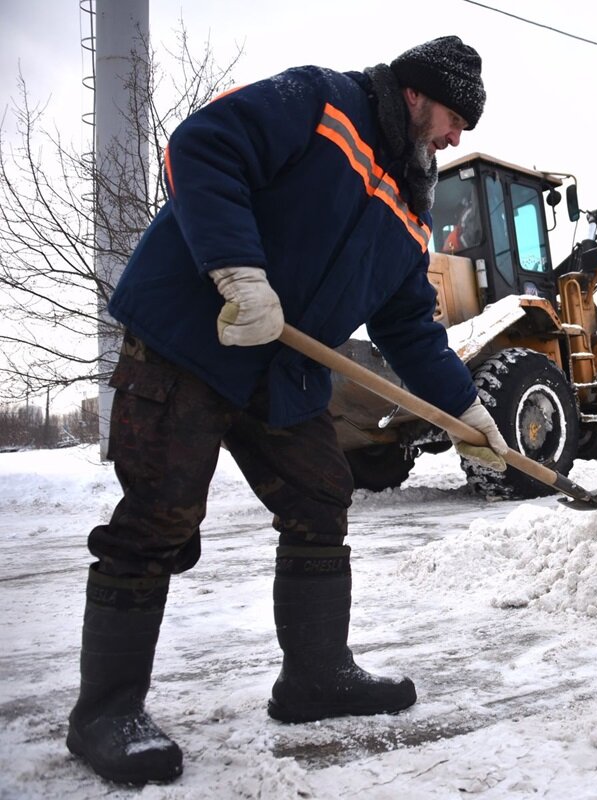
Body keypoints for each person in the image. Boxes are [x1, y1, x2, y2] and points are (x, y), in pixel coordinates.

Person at [67, 36, 509, 786]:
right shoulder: (321, 101)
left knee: (319, 495)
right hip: (193, 336)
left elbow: (409, 329)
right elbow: (201, 146)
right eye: (454, 116)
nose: (457, 136)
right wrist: (239, 273)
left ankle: (316, 677)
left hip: (282, 369)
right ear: (414, 94)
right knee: (161, 514)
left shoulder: (409, 208)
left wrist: (469, 409)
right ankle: (106, 713)